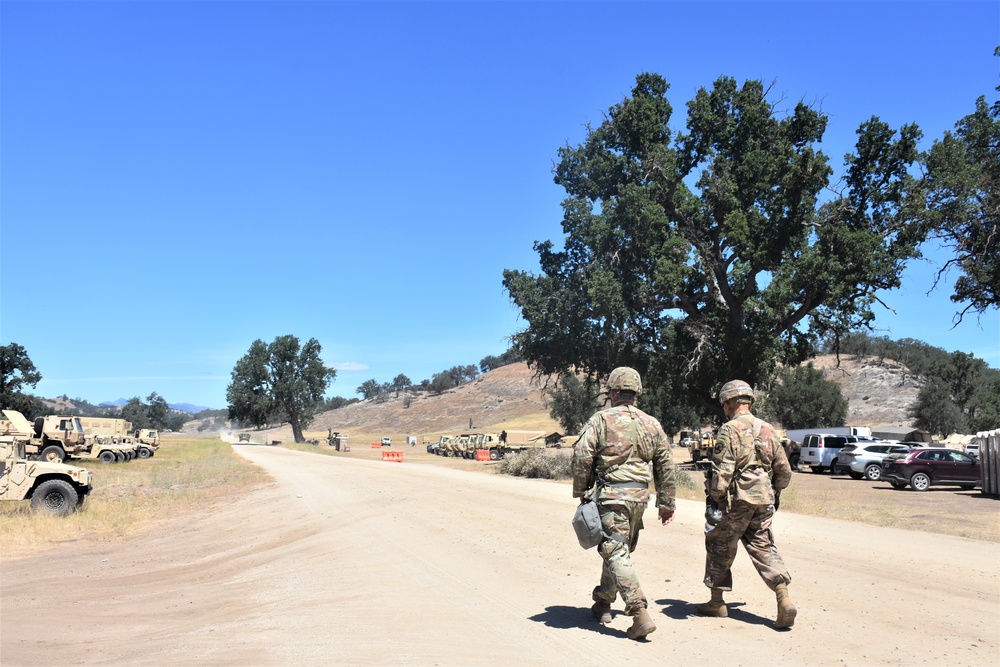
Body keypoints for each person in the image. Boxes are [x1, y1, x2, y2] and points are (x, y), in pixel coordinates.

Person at [572, 367, 676, 640]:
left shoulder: (601, 419)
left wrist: (582, 490)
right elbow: (666, 464)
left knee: (614, 551)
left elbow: (582, 455)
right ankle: (603, 603)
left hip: (611, 496)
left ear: (613, 392)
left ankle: (639, 611)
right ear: (637, 392)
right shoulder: (652, 423)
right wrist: (667, 502)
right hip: (639, 498)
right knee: (617, 550)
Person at [699, 379, 797, 629]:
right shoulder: (768, 429)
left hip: (737, 499)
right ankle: (783, 596)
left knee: (720, 543)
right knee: (763, 545)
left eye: (725, 404)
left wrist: (716, 498)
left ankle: (717, 602)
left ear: (730, 403)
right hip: (764, 498)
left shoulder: (729, 429)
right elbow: (784, 471)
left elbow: (722, 473)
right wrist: (774, 492)